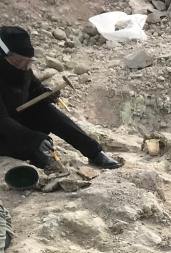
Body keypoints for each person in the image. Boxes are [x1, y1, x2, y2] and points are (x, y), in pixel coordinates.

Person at [0, 27, 120, 171]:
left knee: (46, 109)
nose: (25, 67)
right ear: (4, 55)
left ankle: (94, 152)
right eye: (20, 61)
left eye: (29, 62)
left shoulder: (22, 69)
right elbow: (3, 121)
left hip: (19, 121)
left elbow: (33, 88)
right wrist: (34, 138)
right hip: (4, 132)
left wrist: (45, 93)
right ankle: (36, 155)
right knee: (35, 152)